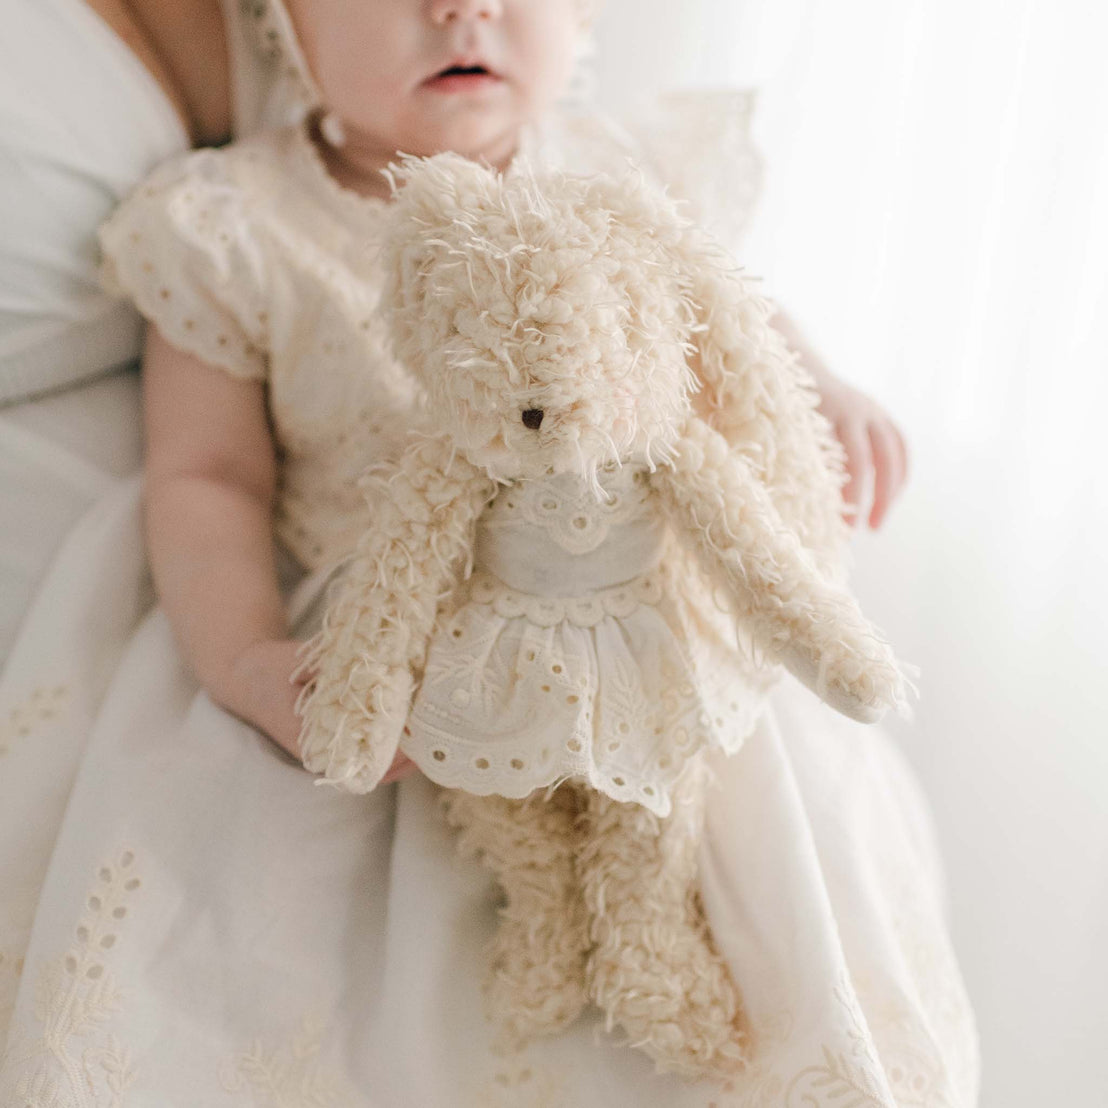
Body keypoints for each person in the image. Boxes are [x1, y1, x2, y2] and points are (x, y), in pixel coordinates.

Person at [0, 1, 978, 1104]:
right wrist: (247, 659)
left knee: (771, 857)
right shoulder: (232, 225)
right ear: (283, 24)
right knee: (304, 975)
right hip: (382, 648)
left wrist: (821, 392)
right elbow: (206, 477)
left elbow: (722, 324)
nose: (462, 10)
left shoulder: (617, 170)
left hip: (640, 622)